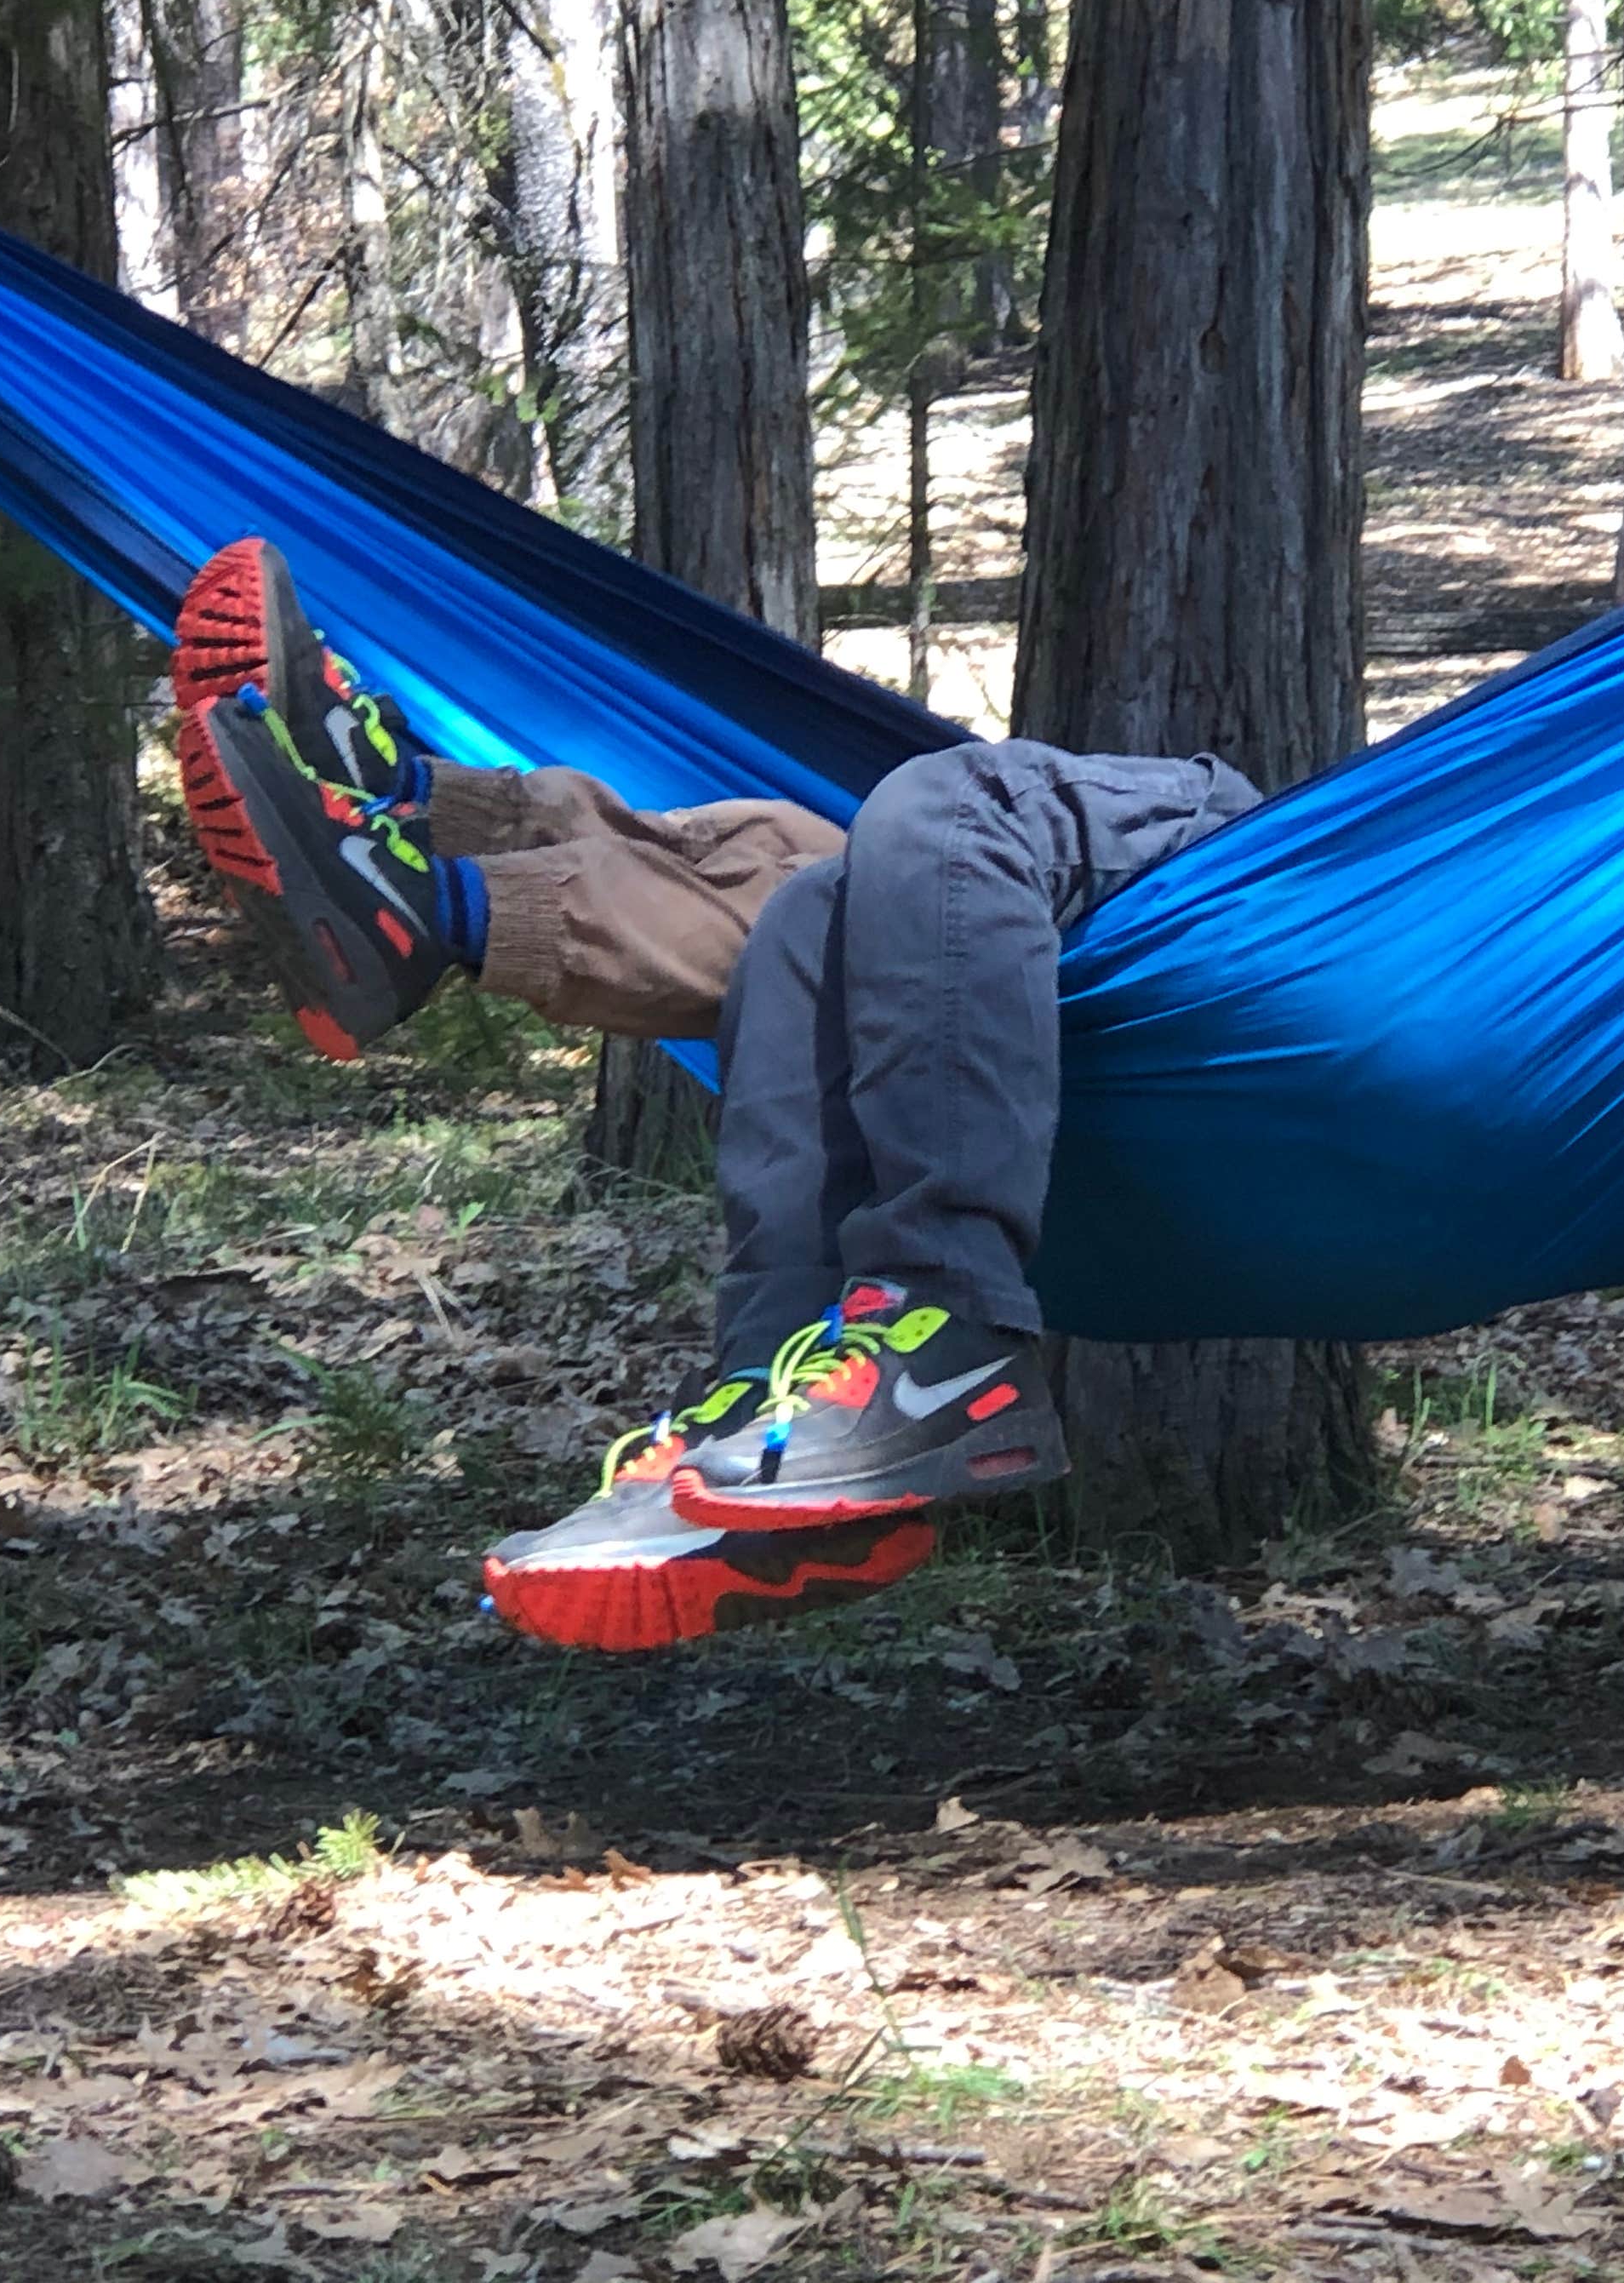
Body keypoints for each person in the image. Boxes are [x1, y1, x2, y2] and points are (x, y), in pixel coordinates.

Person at [169, 538, 1261, 1651]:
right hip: (1002, 952)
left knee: (939, 806)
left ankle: (946, 1327)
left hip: (1261, 873)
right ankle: (771, 1399)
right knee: (803, 906)